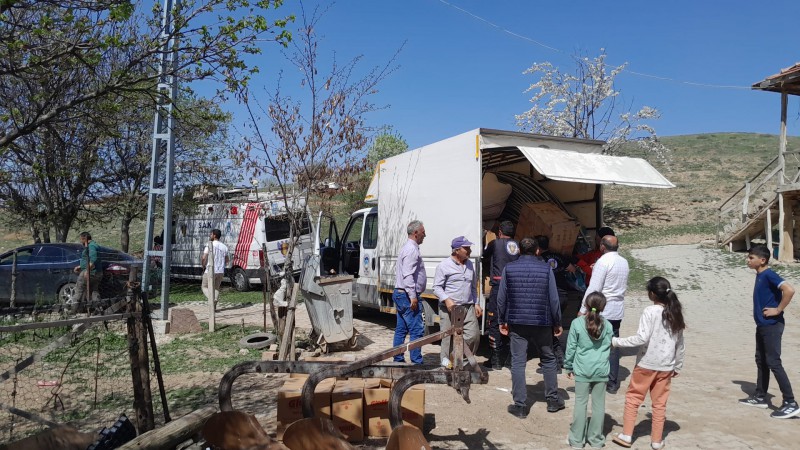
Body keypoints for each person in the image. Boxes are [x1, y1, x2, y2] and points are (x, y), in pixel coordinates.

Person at [611, 277, 685, 450]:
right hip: (666, 366)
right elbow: (680, 345)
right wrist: (677, 365)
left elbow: (641, 338)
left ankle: (627, 435)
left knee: (633, 398)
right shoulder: (675, 312)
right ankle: (657, 441)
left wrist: (616, 342)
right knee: (659, 404)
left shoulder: (650, 311)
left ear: (652, 294)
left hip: (646, 364)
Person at [497, 237, 564, 418]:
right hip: (542, 321)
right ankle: (552, 400)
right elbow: (554, 298)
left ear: (518, 250)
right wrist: (557, 321)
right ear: (537, 251)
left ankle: (519, 405)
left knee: (518, 362)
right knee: (549, 359)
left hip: (517, 322)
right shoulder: (546, 269)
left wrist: (501, 320)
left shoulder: (509, 269)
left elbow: (502, 297)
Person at [738, 244, 799, 419]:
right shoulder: (760, 275)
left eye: (751, 258)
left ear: (762, 260)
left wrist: (778, 310)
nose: (747, 260)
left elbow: (790, 290)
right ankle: (760, 397)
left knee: (773, 362)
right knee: (761, 360)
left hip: (772, 325)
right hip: (763, 325)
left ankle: (790, 403)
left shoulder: (769, 275)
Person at [580, 234, 629, 394]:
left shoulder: (603, 262)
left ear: (602, 246)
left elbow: (594, 288)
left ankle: (595, 380)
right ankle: (612, 383)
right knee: (612, 345)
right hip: (617, 310)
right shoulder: (624, 262)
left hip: (602, 309)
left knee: (594, 345)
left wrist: (583, 309)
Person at [565, 292, 613, 449]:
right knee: (599, 406)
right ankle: (596, 439)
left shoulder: (577, 323)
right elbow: (609, 348)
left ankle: (577, 440)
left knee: (580, 403)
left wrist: (568, 365)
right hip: (601, 370)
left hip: (582, 369)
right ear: (603, 307)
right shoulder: (609, 325)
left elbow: (571, 347)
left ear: (585, 304)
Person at [434, 236, 482, 368]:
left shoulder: (470, 264)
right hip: (449, 308)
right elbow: (436, 287)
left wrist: (476, 303)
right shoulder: (444, 266)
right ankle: (445, 361)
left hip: (467, 307)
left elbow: (473, 286)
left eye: (469, 248)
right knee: (447, 336)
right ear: (456, 250)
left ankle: (457, 358)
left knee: (474, 335)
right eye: (466, 248)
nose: (469, 250)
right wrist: (447, 300)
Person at [482, 220, 519, 369]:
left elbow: (484, 255)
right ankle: (511, 359)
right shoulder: (518, 246)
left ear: (500, 233)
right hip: (514, 287)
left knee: (494, 322)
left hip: (498, 286)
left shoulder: (495, 244)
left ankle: (496, 360)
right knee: (512, 322)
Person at [393, 220, 427, 365]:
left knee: (401, 329)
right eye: (423, 232)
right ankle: (416, 362)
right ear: (415, 233)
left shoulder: (408, 248)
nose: (425, 235)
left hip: (401, 293)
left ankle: (398, 358)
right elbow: (408, 275)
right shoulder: (411, 250)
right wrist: (413, 296)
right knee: (416, 330)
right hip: (407, 295)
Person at [69, 231, 102, 312]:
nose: (81, 242)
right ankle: (98, 308)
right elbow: (89, 260)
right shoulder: (94, 245)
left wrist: (87, 270)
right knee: (94, 290)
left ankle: (74, 309)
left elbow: (93, 259)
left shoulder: (92, 246)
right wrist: (80, 266)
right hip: (97, 272)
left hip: (91, 272)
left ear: (85, 238)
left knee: (79, 288)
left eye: (81, 239)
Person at [201, 228, 229, 309]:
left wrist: (203, 264)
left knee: (204, 286)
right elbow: (227, 260)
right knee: (216, 288)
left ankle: (212, 299)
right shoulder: (224, 246)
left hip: (211, 269)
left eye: (211, 234)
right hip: (220, 271)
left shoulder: (210, 244)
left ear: (214, 235)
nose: (210, 235)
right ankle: (215, 302)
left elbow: (204, 257)